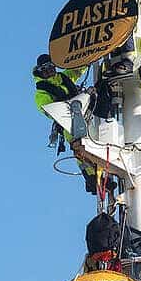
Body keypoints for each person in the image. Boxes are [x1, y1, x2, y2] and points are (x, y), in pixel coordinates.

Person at [32, 54, 101, 193]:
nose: (49, 71)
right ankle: (91, 178)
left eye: (51, 67)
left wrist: (90, 57)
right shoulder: (41, 92)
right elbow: (48, 109)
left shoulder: (63, 77)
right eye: (45, 69)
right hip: (68, 123)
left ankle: (100, 175)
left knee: (96, 142)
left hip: (85, 115)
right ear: (40, 71)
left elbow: (77, 70)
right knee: (80, 147)